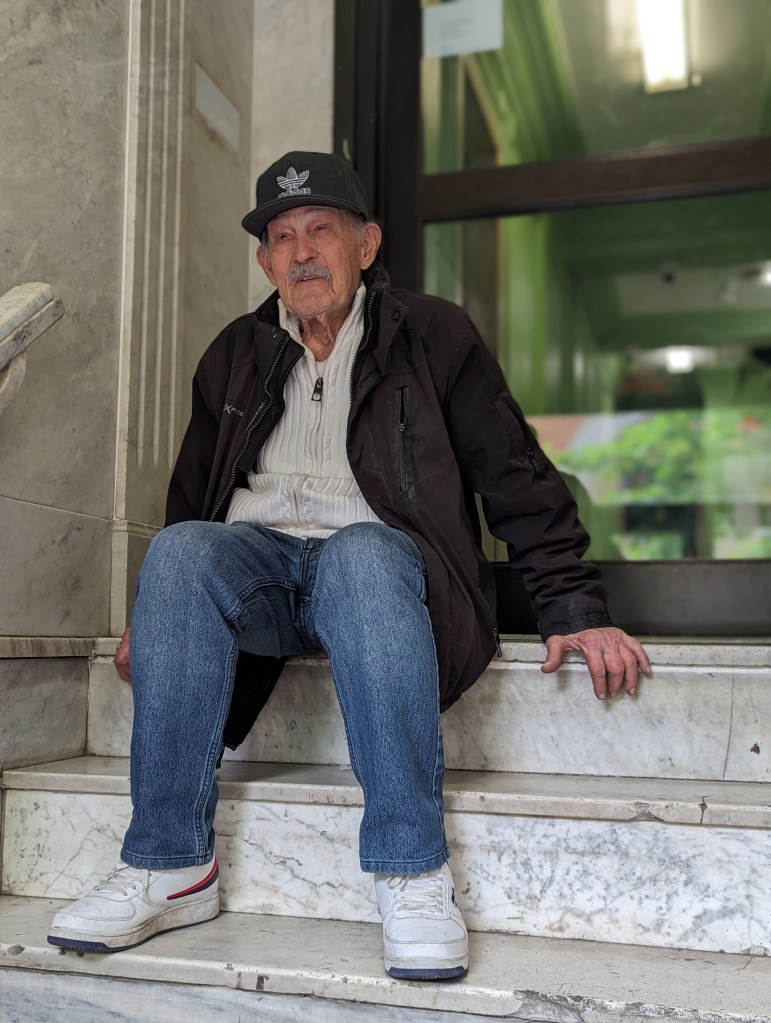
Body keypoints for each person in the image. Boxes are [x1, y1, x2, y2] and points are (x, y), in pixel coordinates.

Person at [48, 151, 649, 979]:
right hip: (260, 572)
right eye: (281, 237)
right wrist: (158, 616)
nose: (301, 252)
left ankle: (411, 869)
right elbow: (194, 499)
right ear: (266, 263)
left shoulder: (432, 336)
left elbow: (514, 474)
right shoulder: (233, 354)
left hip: (377, 572)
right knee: (180, 551)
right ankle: (170, 863)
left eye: (320, 230)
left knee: (363, 552)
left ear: (364, 245)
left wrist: (573, 605)